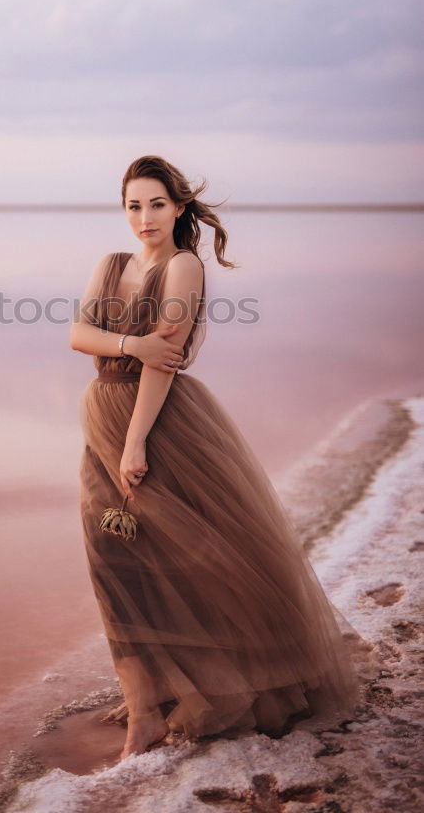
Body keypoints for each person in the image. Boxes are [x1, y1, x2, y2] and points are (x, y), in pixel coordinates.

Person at [69, 155, 364, 762]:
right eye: (133, 206)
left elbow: (164, 362)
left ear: (178, 207)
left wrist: (136, 442)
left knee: (184, 559)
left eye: (156, 204)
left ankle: (159, 707)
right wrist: (130, 342)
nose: (144, 217)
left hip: (162, 426)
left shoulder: (183, 267)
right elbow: (78, 336)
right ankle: (147, 694)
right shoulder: (112, 264)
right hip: (102, 414)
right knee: (114, 560)